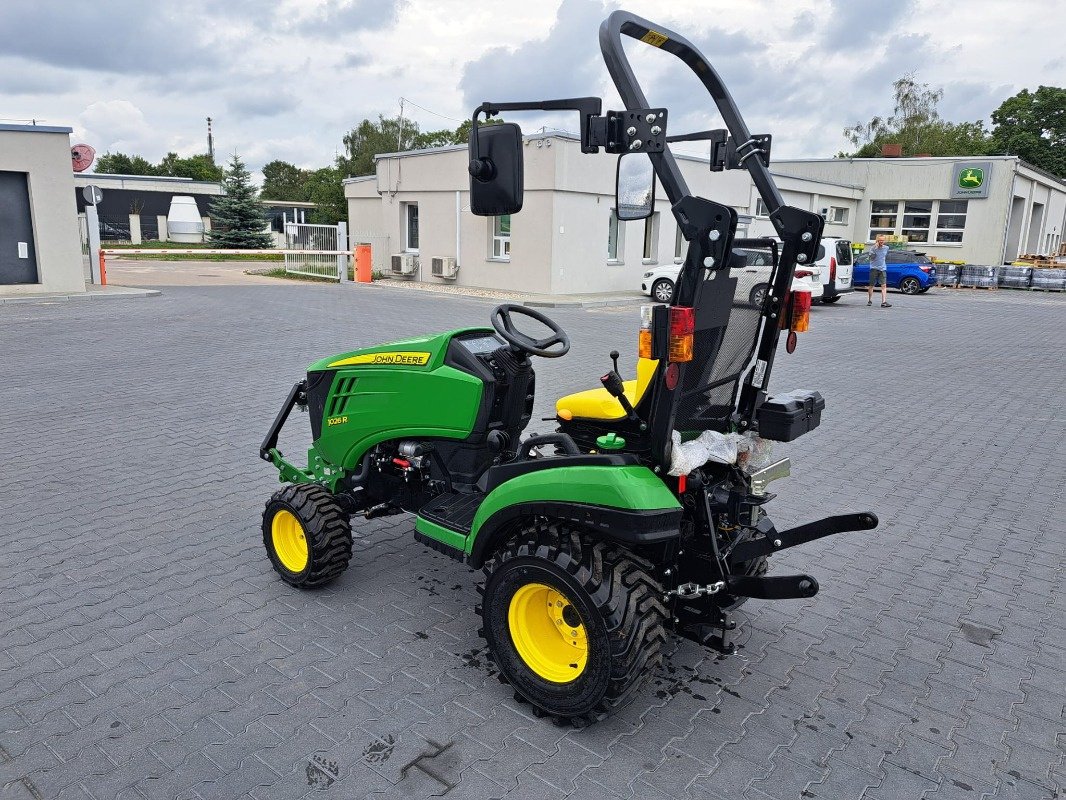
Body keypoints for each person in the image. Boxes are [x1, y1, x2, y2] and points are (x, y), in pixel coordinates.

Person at [867, 235, 891, 308]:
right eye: (880, 240)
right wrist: (875, 248)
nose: (881, 242)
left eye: (883, 240)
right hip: (874, 269)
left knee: (883, 285)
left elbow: (883, 257)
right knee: (871, 285)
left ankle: (883, 302)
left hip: (882, 269)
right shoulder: (873, 248)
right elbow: (871, 258)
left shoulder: (886, 248)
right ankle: (870, 300)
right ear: (877, 240)